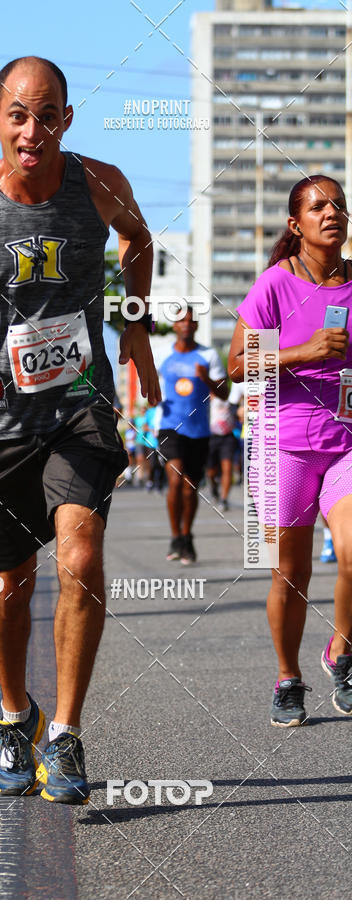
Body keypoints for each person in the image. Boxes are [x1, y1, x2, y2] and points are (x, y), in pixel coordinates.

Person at [0, 56, 160, 804]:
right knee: (11, 585)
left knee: (80, 553)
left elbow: (139, 239)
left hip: (80, 406)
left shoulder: (99, 183)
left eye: (47, 115)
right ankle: (16, 713)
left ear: (66, 120)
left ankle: (67, 733)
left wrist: (136, 324)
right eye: (18, 115)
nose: (32, 130)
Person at [228, 174, 352, 727]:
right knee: (290, 572)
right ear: (295, 224)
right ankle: (287, 677)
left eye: (338, 205)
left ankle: (341, 651)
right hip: (285, 446)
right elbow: (236, 366)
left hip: (346, 442)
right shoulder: (276, 284)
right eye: (318, 206)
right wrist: (301, 351)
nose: (331, 213)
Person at [158, 307, 229, 564]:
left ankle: (186, 536)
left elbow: (224, 393)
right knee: (175, 481)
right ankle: (175, 536)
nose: (186, 324)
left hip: (199, 431)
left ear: (196, 326)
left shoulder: (208, 355)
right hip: (170, 427)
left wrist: (206, 378)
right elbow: (149, 383)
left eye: (191, 320)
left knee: (190, 489)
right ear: (174, 325)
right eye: (181, 320)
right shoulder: (162, 354)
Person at [206, 385, 240, 512]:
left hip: (228, 437)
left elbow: (237, 411)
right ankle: (214, 487)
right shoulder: (208, 398)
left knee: (227, 468)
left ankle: (224, 499)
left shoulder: (231, 398)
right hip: (211, 437)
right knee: (211, 471)